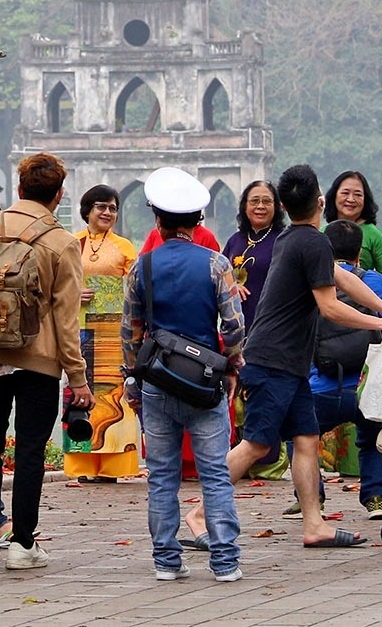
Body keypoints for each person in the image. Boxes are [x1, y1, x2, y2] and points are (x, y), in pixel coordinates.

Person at [225, 166, 382, 551]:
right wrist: (378, 321)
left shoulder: (296, 238)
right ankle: (200, 515)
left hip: (288, 365)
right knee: (257, 445)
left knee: (307, 440)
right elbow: (330, 307)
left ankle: (315, 524)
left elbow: (343, 279)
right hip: (273, 361)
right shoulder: (309, 242)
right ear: (322, 203)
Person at [0, 152, 89, 571]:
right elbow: (67, 320)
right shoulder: (62, 243)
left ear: (19, 188)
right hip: (38, 360)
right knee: (30, 450)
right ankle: (24, 543)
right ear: (59, 195)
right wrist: (78, 377)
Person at [124, 169, 245, 584]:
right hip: (205, 383)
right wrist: (232, 365)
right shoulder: (216, 264)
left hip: (157, 381)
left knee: (161, 475)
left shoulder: (142, 268)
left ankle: (166, 561)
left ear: (157, 221)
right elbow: (233, 327)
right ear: (198, 222)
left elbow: (131, 332)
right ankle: (225, 561)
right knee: (214, 473)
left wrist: (132, 381)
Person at [309, 221, 382, 518]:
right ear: (359, 252)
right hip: (365, 385)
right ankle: (375, 499)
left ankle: (311, 499)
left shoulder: (313, 282)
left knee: (301, 435)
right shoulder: (376, 283)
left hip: (321, 384)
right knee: (371, 440)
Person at [65, 183, 141, 482]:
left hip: (113, 330)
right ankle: (83, 465)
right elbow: (57, 285)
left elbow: (136, 288)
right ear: (87, 211)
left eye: (112, 208)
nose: (107, 212)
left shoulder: (124, 246)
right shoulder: (73, 243)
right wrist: (73, 293)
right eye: (101, 207)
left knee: (113, 395)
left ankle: (112, 467)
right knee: (79, 393)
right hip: (80, 329)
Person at [322, 172, 382, 311]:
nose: (351, 199)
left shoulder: (373, 234)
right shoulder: (322, 232)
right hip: (329, 309)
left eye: (358, 195)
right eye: (345, 193)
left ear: (365, 199)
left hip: (364, 308)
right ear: (334, 196)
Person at [223, 180, 285, 323]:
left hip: (272, 323)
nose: (260, 206)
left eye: (267, 201)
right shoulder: (235, 240)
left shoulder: (284, 240)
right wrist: (233, 287)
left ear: (276, 206)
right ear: (245, 206)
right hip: (236, 323)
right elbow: (219, 275)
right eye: (254, 201)